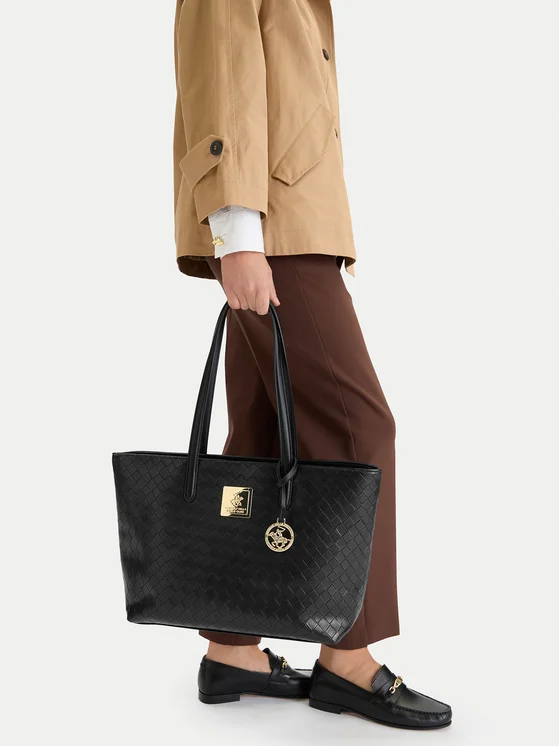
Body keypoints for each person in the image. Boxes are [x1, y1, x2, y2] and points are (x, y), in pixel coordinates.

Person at [173, 0, 451, 729]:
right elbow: (221, 77)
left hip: (289, 226)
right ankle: (348, 658)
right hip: (273, 231)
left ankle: (232, 646)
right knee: (361, 430)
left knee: (262, 438)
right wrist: (237, 236)